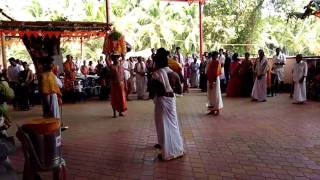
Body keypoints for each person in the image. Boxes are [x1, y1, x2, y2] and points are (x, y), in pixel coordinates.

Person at [149, 48, 184, 161]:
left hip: (162, 101)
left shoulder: (156, 74)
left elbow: (151, 93)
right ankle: (178, 150)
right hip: (171, 100)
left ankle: (167, 153)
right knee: (173, 125)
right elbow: (179, 91)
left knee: (163, 126)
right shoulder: (174, 73)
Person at [107, 53, 127, 118]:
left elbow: (124, 58)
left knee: (121, 99)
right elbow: (107, 60)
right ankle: (114, 113)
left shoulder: (121, 64)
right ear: (113, 60)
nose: (117, 60)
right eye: (115, 59)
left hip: (121, 84)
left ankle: (120, 112)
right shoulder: (112, 66)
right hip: (114, 84)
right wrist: (108, 54)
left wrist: (122, 53)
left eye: (117, 59)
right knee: (114, 99)